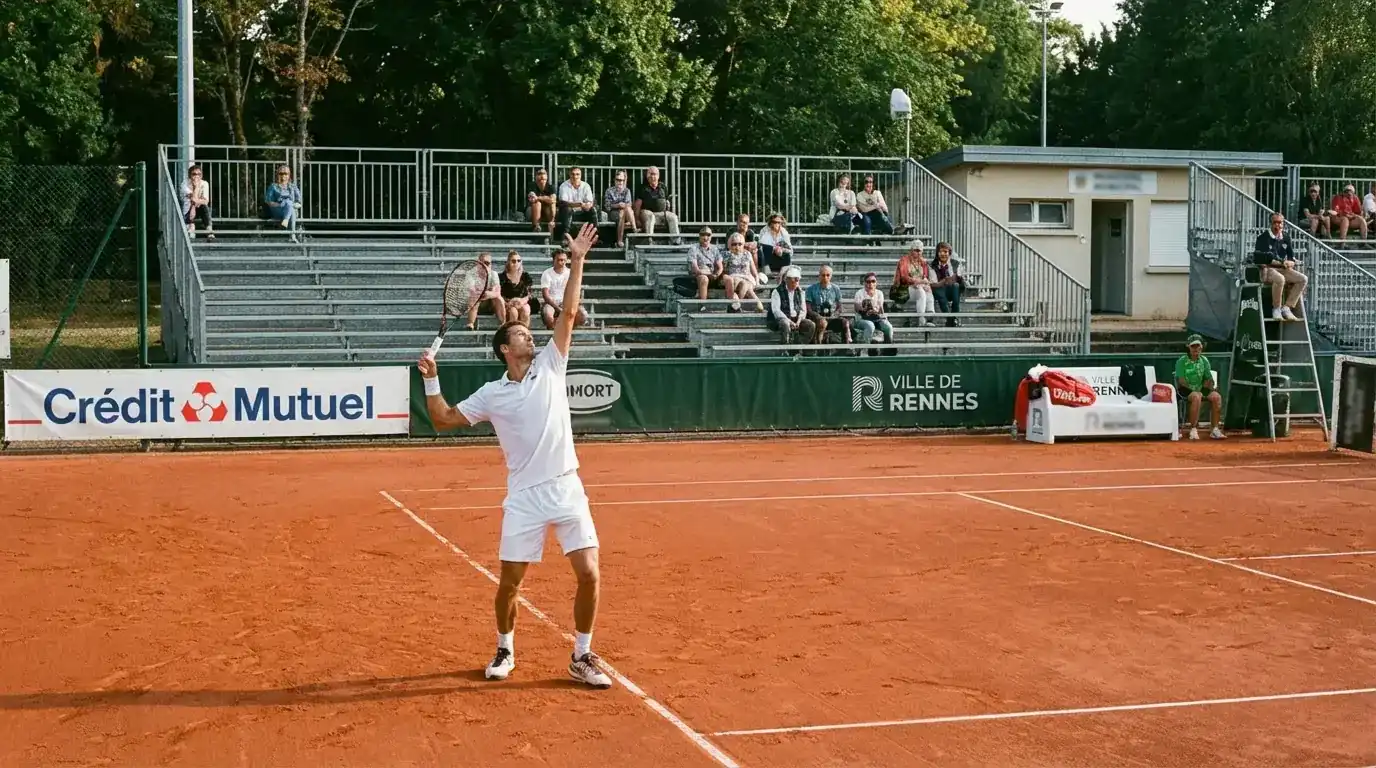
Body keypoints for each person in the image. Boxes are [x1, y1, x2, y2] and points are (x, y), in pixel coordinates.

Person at [415, 223, 613, 690]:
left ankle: (581, 655)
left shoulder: (550, 364)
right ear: (506, 348)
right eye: (522, 334)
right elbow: (442, 418)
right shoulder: (491, 393)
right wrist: (431, 378)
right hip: (524, 497)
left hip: (567, 485)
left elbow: (567, 314)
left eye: (530, 332)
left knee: (589, 573)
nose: (531, 336)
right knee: (510, 585)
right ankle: (505, 647)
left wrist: (578, 259)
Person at [1252, 211, 1307, 321]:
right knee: (1280, 279)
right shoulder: (1263, 237)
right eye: (1275, 223)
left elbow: (1291, 256)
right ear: (1271, 223)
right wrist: (1281, 263)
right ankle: (1276, 309)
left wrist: (1291, 262)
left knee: (1303, 279)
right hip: (1268, 269)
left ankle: (1287, 307)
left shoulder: (1286, 237)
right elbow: (1262, 258)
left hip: (1283, 268)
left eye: (1280, 223)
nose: (1278, 225)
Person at [1175, 334, 1224, 440]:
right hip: (1185, 389)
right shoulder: (1181, 361)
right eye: (1193, 346)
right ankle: (1193, 429)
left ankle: (1214, 429)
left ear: (1202, 347)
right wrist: (1196, 391)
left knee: (1217, 397)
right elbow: (1181, 381)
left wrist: (1205, 388)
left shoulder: (1204, 360)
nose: (1196, 349)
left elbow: (1208, 379)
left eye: (1198, 346)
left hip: (1201, 389)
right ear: (1188, 347)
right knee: (1196, 397)